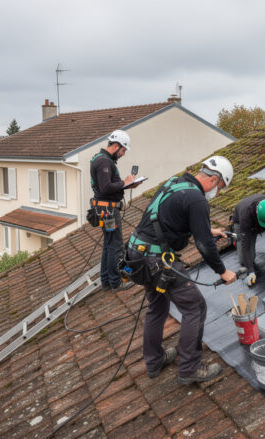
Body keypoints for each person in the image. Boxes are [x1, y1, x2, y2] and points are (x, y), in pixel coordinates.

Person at [125, 156, 237, 384]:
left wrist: (207, 229)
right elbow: (204, 246)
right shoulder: (197, 199)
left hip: (137, 254)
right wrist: (223, 271)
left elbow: (168, 218)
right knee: (195, 307)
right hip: (156, 260)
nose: (218, 192)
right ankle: (189, 369)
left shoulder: (175, 183)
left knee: (157, 307)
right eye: (221, 187)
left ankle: (154, 361)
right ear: (214, 180)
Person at [90, 129, 140, 291]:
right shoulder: (104, 162)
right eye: (123, 150)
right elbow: (105, 188)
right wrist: (124, 182)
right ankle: (115, 282)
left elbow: (108, 186)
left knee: (109, 245)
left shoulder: (101, 160)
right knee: (115, 246)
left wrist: (126, 184)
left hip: (105, 210)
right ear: (116, 146)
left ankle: (106, 281)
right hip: (108, 212)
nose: (123, 154)